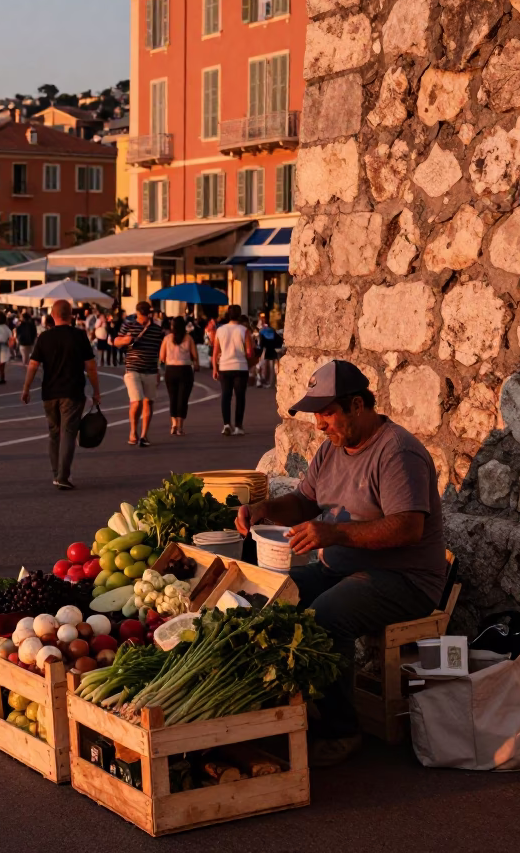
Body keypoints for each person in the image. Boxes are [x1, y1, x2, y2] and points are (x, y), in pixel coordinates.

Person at [236, 360, 446, 767]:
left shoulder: (397, 452)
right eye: (316, 414)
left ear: (356, 405)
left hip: (404, 579)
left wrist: (335, 534)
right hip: (342, 568)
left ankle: (341, 731)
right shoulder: (330, 450)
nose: (319, 424)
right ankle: (294, 709)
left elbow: (408, 529)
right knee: (269, 599)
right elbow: (303, 502)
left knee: (325, 616)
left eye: (327, 413)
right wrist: (264, 508)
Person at [20, 299, 100, 490]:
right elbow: (91, 366)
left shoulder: (44, 337)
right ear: (71, 315)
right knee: (68, 433)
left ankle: (56, 472)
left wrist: (26, 388)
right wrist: (96, 391)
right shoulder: (79, 336)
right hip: (72, 392)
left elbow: (33, 365)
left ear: (53, 315)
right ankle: (63, 476)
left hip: (49, 392)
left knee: (54, 433)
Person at [114, 301, 165, 447]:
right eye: (142, 315)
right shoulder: (128, 325)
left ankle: (144, 435)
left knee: (149, 401)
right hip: (132, 368)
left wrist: (158, 370)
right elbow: (116, 341)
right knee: (136, 401)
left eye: (146, 314)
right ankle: (132, 431)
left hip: (150, 369)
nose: (144, 318)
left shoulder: (156, 329)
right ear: (137, 313)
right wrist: (126, 340)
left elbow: (157, 351)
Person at [212, 304, 255, 436]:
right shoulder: (244, 330)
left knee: (226, 396)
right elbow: (249, 352)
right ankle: (238, 426)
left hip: (224, 366)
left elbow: (215, 352)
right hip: (240, 366)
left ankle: (226, 424)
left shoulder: (220, 330)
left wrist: (215, 368)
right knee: (240, 397)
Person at [161, 315, 198, 436]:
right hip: (185, 370)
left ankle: (173, 424)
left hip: (171, 370)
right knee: (183, 398)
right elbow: (195, 355)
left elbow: (161, 357)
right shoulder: (189, 338)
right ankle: (180, 427)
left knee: (173, 397)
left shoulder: (167, 339)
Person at [257, 318, 282, 388]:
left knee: (264, 367)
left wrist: (259, 351)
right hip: (273, 350)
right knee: (272, 368)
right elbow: (278, 340)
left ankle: (266, 381)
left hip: (266, 351)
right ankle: (272, 382)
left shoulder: (261, 332)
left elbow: (261, 344)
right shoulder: (272, 330)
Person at [0, 313, 13, 385]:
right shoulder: (7, 328)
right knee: (2, 363)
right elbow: (11, 337)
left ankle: (2, 377)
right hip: (4, 346)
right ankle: (2, 376)